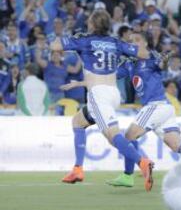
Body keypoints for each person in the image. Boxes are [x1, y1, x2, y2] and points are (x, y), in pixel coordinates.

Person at [61, 32, 181, 188]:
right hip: (164, 109)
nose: (133, 43)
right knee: (176, 145)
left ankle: (128, 175)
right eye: (131, 40)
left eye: (137, 40)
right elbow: (107, 77)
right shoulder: (129, 64)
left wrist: (165, 60)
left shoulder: (151, 57)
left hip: (157, 106)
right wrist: (80, 83)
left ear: (145, 43)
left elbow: (162, 63)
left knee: (129, 135)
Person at [50, 10, 154, 191]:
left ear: (92, 24)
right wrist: (132, 53)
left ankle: (142, 162)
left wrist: (69, 38)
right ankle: (77, 169)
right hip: (113, 92)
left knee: (113, 137)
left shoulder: (85, 40)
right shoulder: (115, 43)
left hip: (97, 94)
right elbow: (144, 54)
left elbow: (55, 46)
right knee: (78, 121)